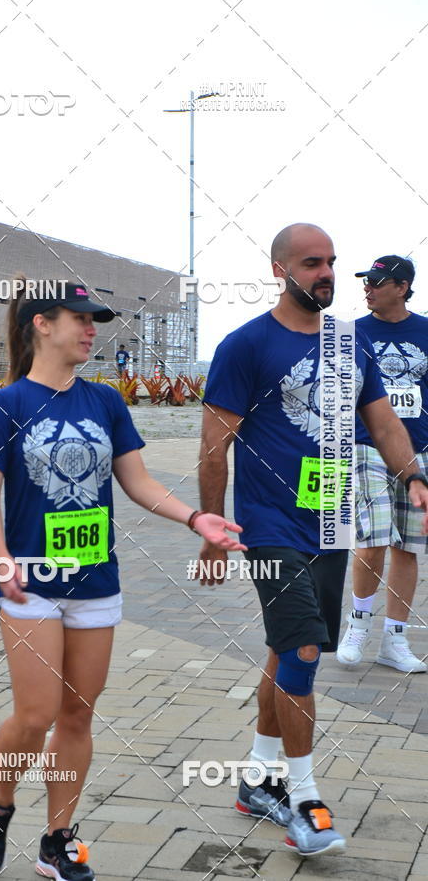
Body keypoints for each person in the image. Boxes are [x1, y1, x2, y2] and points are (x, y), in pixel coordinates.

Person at [0, 278, 245, 879]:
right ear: (42, 323)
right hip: (32, 581)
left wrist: (197, 517)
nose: (93, 328)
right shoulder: (6, 404)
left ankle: (57, 838)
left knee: (77, 717)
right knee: (35, 716)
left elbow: (137, 482)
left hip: (96, 583)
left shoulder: (106, 402)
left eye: (96, 319)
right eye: (81, 318)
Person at [197, 224, 428, 857]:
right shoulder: (247, 345)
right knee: (300, 652)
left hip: (329, 524)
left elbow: (383, 424)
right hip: (269, 528)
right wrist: (213, 526)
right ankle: (303, 800)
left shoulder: (350, 346)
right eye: (311, 263)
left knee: (286, 652)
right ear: (279, 269)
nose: (326, 273)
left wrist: (413, 477)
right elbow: (214, 444)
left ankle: (257, 777)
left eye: (331, 262)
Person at [337, 255, 428, 673]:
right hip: (364, 446)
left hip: (419, 453)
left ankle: (394, 639)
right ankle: (357, 625)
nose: (367, 287)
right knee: (371, 538)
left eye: (377, 280)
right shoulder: (350, 334)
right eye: (366, 281)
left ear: (403, 286)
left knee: (408, 547)